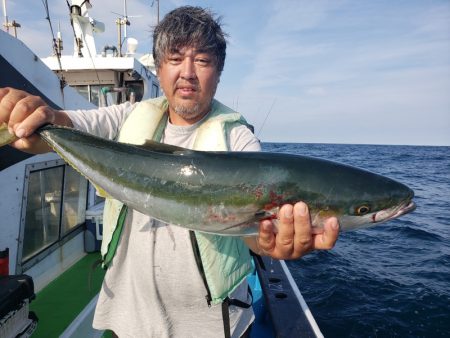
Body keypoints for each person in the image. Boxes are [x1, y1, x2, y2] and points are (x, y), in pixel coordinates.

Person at [0, 6, 339, 338]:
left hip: (209, 327)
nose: (188, 72)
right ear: (160, 69)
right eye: (175, 59)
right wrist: (31, 116)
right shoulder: (126, 117)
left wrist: (269, 243)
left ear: (218, 73)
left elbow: (252, 231)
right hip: (128, 318)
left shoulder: (238, 139)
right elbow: (62, 125)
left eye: (203, 60)